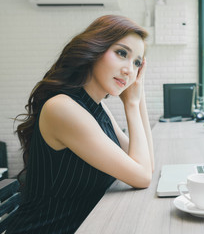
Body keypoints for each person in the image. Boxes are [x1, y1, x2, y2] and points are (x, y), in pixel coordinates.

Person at [7, 15, 154, 233]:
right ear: (95, 49)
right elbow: (142, 177)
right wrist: (131, 105)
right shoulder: (63, 108)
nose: (129, 70)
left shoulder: (98, 108)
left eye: (137, 64)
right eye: (121, 53)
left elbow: (146, 166)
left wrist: (137, 98)